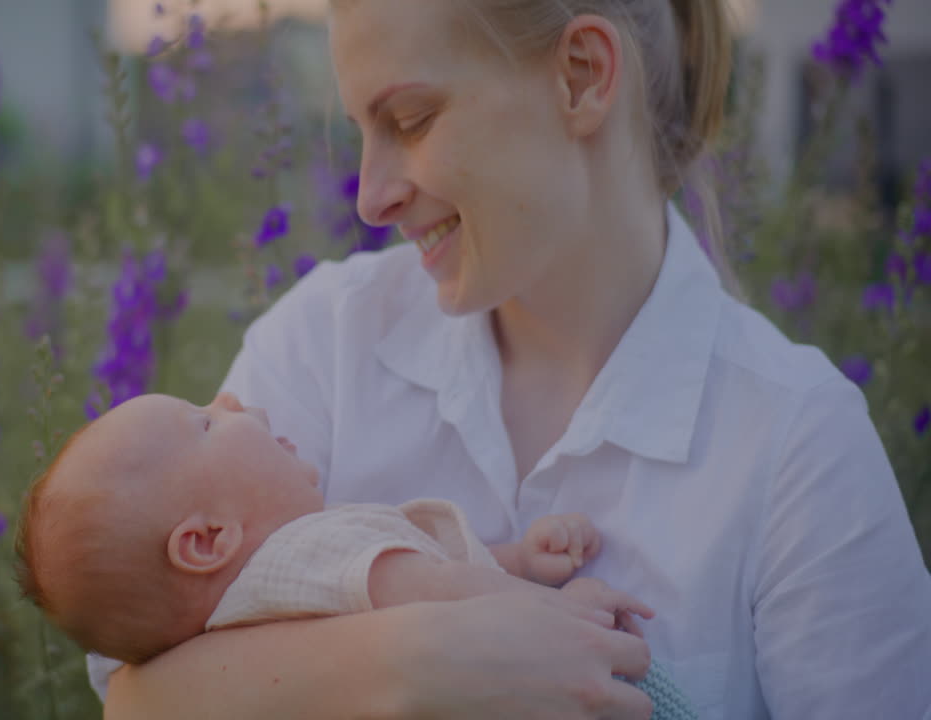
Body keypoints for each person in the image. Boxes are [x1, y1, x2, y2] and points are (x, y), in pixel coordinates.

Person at [95, 1, 931, 718]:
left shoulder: (796, 446)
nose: (369, 195)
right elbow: (132, 691)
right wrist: (425, 658)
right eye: (360, 132)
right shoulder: (324, 345)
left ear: (580, 75)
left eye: (410, 121)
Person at [17, 391, 699, 718]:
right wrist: (558, 607)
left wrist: (515, 556)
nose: (233, 402)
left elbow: (421, 574)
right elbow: (440, 594)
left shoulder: (248, 615)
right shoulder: (308, 553)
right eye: (205, 421)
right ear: (206, 541)